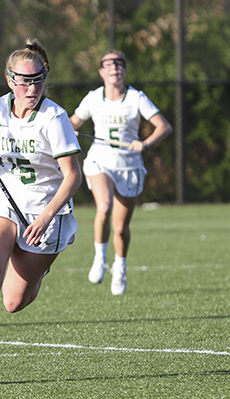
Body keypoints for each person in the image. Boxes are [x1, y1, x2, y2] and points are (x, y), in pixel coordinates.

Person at [0, 39, 82, 386]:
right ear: (10, 80)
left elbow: (73, 177)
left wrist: (45, 218)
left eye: (38, 79)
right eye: (24, 80)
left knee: (13, 301)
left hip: (45, 212)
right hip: (2, 201)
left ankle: (39, 271)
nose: (31, 87)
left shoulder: (54, 117)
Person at [70, 50, 172, 295]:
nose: (114, 67)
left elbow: (164, 126)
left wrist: (145, 143)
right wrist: (68, 130)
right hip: (100, 161)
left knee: (120, 228)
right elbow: (73, 122)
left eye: (119, 64)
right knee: (104, 207)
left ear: (124, 71)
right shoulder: (94, 98)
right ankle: (99, 258)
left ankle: (120, 267)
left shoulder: (136, 98)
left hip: (129, 165)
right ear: (101, 72)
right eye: (109, 64)